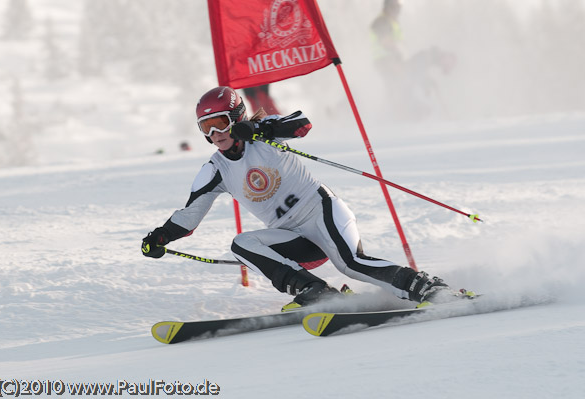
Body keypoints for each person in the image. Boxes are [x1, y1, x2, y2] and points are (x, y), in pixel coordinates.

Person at [141, 86, 467, 310]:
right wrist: (162, 236)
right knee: (242, 243)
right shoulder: (215, 169)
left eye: (220, 123)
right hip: (293, 238)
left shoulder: (263, 129)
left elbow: (302, 124)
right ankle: (316, 293)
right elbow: (189, 214)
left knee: (350, 263)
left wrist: (261, 132)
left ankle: (429, 288)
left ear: (237, 116)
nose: (216, 135)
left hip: (322, 212)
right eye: (206, 128)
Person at [371, 0, 456, 120]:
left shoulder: (392, 22)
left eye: (399, 8)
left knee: (403, 85)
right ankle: (403, 114)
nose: (398, 11)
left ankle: (408, 112)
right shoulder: (381, 21)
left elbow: (398, 44)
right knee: (399, 88)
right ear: (389, 7)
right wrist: (395, 59)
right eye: (396, 8)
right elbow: (385, 41)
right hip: (387, 62)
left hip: (394, 62)